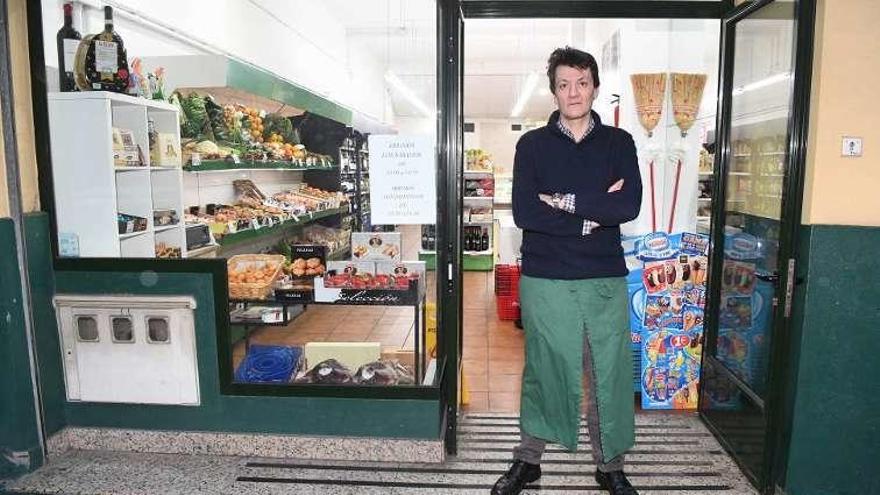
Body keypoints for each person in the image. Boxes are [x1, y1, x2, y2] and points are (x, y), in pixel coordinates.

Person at [491, 47, 642, 495]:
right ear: (553, 91)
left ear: (594, 86)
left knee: (609, 370)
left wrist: (564, 201)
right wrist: (594, 211)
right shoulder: (532, 145)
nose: (573, 92)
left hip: (603, 276)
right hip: (546, 276)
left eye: (581, 82)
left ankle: (609, 466)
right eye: (563, 84)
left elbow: (628, 204)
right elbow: (525, 212)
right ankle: (528, 460)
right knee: (543, 367)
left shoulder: (619, 143)